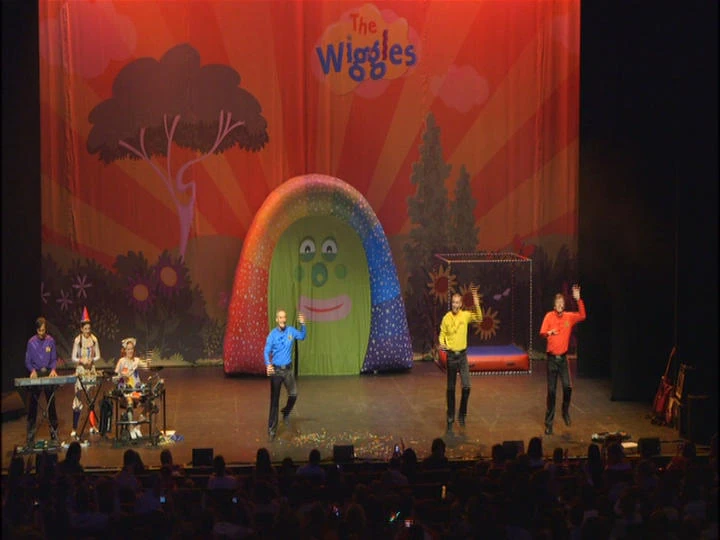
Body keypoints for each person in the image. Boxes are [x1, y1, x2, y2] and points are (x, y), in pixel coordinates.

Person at [539, 284, 586, 435]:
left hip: (563, 359)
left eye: (562, 303)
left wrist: (578, 299)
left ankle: (565, 411)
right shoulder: (549, 316)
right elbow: (542, 332)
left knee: (567, 387)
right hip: (552, 359)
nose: (560, 305)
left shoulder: (568, 317)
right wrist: (549, 332)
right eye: (558, 303)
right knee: (551, 392)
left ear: (564, 305)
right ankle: (549, 423)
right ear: (554, 305)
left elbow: (583, 316)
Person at [438, 286, 482, 432]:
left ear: (461, 304)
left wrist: (476, 302)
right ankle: (450, 416)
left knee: (467, 386)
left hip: (462, 356)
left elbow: (479, 318)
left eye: (457, 303)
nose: (455, 305)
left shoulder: (465, 315)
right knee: (451, 388)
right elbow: (442, 334)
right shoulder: (446, 317)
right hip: (451, 356)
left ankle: (462, 414)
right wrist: (442, 343)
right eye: (453, 302)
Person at [264, 309, 306, 440]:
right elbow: (266, 351)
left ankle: (286, 411)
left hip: (288, 370)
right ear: (277, 319)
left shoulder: (291, 331)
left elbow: (302, 336)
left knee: (293, 394)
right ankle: (272, 431)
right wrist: (268, 364)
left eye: (284, 317)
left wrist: (303, 324)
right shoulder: (272, 335)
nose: (282, 320)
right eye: (280, 318)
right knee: (274, 401)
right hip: (276, 371)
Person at [24, 316, 60, 447]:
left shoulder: (50, 340)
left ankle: (54, 435)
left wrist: (53, 369)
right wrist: (32, 370)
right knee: (33, 405)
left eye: (43, 330)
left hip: (48, 373)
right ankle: (30, 436)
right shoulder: (31, 342)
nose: (41, 333)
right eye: (39, 331)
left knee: (51, 405)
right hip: (36, 373)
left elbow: (54, 359)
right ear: (36, 330)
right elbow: (27, 361)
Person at [70, 307, 101, 438]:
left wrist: (92, 359)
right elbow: (73, 357)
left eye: (89, 328)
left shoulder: (94, 339)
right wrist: (81, 360)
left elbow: (98, 355)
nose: (88, 331)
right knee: (78, 398)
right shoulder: (78, 340)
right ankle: (74, 427)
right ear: (81, 329)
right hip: (81, 371)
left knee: (91, 398)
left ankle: (92, 426)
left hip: (91, 371)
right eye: (85, 329)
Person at [114, 337, 150, 440]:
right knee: (129, 401)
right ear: (125, 350)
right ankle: (130, 428)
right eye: (128, 349)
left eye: (132, 349)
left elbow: (146, 368)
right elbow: (115, 377)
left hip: (136, 391)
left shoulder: (136, 360)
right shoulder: (121, 361)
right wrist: (122, 376)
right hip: (126, 391)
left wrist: (148, 363)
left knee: (149, 403)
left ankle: (137, 427)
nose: (130, 351)